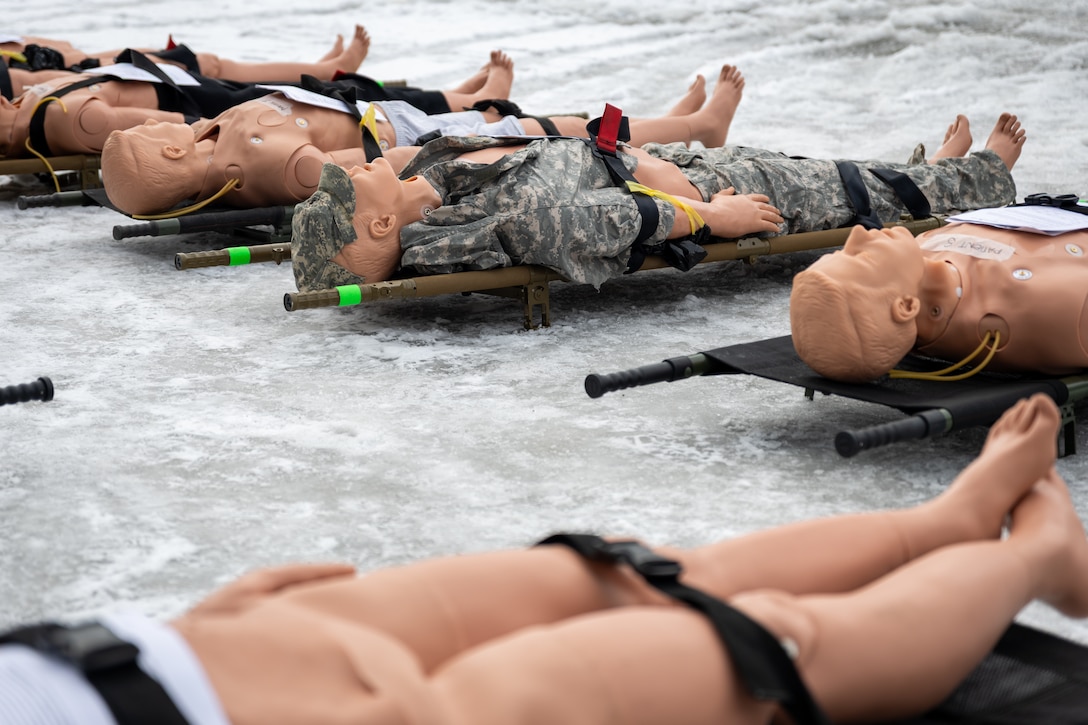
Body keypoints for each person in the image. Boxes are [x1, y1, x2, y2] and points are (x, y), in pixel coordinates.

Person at [1, 393, 1086, 724]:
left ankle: (947, 519)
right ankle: (1032, 556)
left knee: (639, 568)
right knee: (773, 650)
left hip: (169, 653)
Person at [287, 112, 1020, 292]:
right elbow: (596, 222)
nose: (352, 171)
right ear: (380, 224)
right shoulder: (502, 224)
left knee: (830, 174)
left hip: (654, 161)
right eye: (351, 192)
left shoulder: (429, 174)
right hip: (697, 191)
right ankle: (981, 174)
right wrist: (710, 218)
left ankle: (917, 177)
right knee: (832, 189)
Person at [99, 64, 748, 215]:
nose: (156, 120)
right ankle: (694, 127)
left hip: (392, 122)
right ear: (175, 154)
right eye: (150, 134)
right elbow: (353, 176)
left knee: (559, 122)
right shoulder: (263, 163)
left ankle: (678, 120)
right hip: (420, 141)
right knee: (560, 130)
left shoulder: (227, 142)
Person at [786, 117, 1088, 383]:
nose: (857, 235)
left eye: (841, 251)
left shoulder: (919, 255)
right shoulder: (1046, 309)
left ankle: (942, 171)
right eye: (860, 257)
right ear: (906, 307)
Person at [0, 47, 517, 161]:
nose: (11, 97)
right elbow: (177, 126)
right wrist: (242, 127)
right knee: (341, 104)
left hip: (194, 90)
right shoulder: (71, 117)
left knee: (335, 98)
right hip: (213, 107)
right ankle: (467, 100)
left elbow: (69, 64)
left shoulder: (40, 101)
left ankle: (465, 97)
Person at [1, 25, 371, 85]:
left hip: (73, 65)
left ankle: (319, 67)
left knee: (204, 62)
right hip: (71, 79)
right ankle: (325, 70)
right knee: (208, 66)